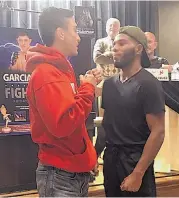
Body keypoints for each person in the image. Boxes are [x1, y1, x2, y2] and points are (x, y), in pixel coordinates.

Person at [25, 7, 101, 197]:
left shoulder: (59, 71)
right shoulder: (46, 74)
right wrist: (88, 88)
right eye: (74, 29)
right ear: (60, 33)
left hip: (69, 173)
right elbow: (64, 124)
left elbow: (75, 126)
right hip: (60, 175)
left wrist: (88, 158)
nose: (78, 37)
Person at [102, 26, 165, 197]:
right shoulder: (109, 84)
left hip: (135, 161)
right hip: (111, 161)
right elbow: (106, 123)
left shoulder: (149, 84)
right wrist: (95, 154)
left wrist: (138, 173)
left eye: (122, 43)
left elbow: (158, 131)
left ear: (138, 49)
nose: (115, 48)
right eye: (114, 44)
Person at [93, 18, 120, 165]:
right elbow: (97, 58)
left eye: (115, 26)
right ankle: (96, 154)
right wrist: (112, 54)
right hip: (104, 84)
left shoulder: (121, 43)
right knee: (104, 121)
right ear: (105, 27)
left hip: (120, 83)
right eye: (110, 25)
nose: (113, 28)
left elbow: (122, 60)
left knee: (118, 120)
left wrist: (109, 56)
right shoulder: (100, 42)